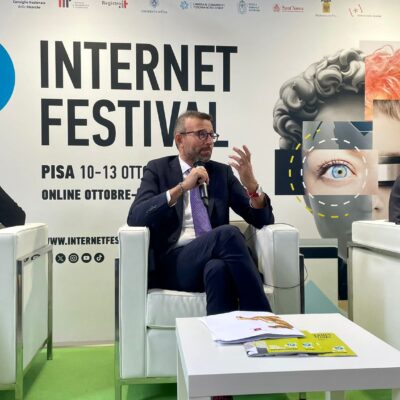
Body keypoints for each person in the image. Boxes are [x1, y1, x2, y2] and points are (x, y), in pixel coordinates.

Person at [127, 110, 274, 316]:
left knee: (218, 270)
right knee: (228, 234)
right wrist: (181, 187)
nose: (209, 141)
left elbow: (261, 219)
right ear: (180, 140)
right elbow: (136, 217)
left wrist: (252, 188)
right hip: (175, 264)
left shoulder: (221, 173)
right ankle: (263, 318)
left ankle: (222, 334)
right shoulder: (158, 169)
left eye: (211, 135)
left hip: (213, 258)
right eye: (202, 134)